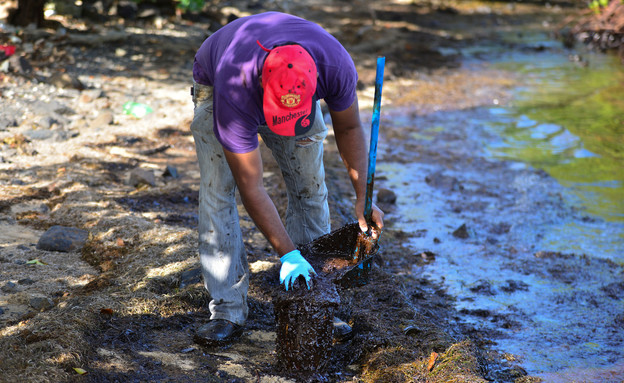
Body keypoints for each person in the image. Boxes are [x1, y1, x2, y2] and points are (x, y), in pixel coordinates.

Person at [189, 11, 384, 346]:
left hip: (289, 83)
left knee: (309, 189)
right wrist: (287, 254)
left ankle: (315, 298)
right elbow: (251, 186)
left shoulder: (335, 66)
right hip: (218, 84)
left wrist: (363, 196)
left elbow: (350, 127)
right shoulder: (236, 88)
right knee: (218, 192)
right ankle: (227, 309)